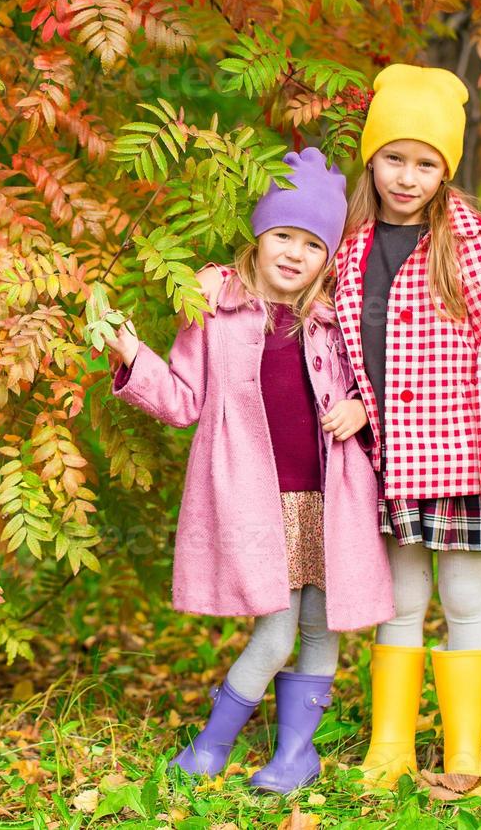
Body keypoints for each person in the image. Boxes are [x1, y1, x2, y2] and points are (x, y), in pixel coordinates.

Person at [197, 64, 481, 802]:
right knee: (400, 599)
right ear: (371, 158)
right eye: (394, 157)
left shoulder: (476, 241)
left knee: (463, 598)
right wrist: (213, 287)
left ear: (446, 167)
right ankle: (389, 745)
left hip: (464, 461)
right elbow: (299, 323)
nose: (408, 176)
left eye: (426, 163)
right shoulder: (347, 245)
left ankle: (464, 751)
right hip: (384, 463)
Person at [103, 146, 393, 795]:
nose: (294, 253)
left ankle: (296, 754)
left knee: (321, 624)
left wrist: (359, 409)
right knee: (277, 629)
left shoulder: (335, 317)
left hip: (331, 497)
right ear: (259, 238)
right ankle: (212, 744)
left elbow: (379, 385)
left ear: (327, 257)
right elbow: (182, 400)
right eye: (283, 236)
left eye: (312, 244)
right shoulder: (214, 306)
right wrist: (133, 357)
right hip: (260, 501)